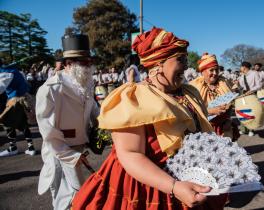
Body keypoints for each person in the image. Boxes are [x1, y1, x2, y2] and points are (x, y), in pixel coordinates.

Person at [72, 27, 228, 210]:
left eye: (185, 59)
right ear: (158, 64)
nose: (187, 66)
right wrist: (174, 186)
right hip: (148, 188)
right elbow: (130, 155)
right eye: (180, 59)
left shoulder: (188, 92)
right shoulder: (134, 98)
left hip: (189, 183)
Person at [36, 34, 99, 210]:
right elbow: (48, 132)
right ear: (68, 64)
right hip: (60, 152)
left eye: (88, 61)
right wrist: (71, 157)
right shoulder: (50, 89)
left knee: (82, 197)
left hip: (80, 148)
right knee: (67, 200)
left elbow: (93, 107)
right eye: (83, 61)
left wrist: (104, 124)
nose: (88, 65)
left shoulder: (86, 81)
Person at [190, 53, 239, 141]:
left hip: (224, 128)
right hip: (203, 129)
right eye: (211, 70)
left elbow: (230, 103)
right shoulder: (193, 86)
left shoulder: (224, 83)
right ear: (203, 71)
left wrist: (228, 120)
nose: (215, 73)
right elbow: (190, 111)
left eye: (217, 70)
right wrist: (209, 111)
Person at [0, 60, 36, 157]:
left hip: (15, 100)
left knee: (6, 122)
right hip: (24, 98)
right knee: (23, 123)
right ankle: (31, 148)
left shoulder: (5, 72)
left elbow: (1, 88)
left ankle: (13, 148)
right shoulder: (14, 70)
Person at [237, 61, 262, 137]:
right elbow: (241, 87)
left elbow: (259, 85)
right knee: (243, 111)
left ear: (244, 67)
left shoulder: (254, 73)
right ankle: (243, 129)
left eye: (241, 66)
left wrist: (250, 91)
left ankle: (251, 129)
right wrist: (237, 84)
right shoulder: (241, 76)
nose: (240, 68)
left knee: (251, 112)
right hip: (243, 94)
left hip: (252, 94)